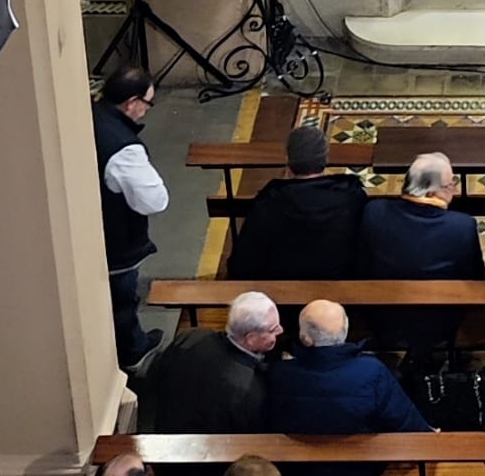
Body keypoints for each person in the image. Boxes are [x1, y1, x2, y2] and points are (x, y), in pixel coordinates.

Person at [266, 299, 429, 476]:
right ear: (344, 334)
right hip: (360, 467)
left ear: (305, 339)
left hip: (299, 468)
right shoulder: (372, 371)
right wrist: (427, 432)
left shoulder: (279, 373)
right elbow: (406, 422)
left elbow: (268, 421)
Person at [356, 151, 485, 353]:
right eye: (450, 185)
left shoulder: (374, 211)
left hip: (382, 317)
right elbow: (475, 279)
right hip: (438, 324)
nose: (454, 190)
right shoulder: (461, 226)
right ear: (431, 193)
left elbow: (362, 264)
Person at [94, 65, 170, 370]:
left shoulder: (91, 113)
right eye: (148, 104)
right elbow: (154, 201)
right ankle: (133, 351)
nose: (146, 111)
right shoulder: (124, 150)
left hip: (94, 226)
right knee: (123, 299)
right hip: (117, 239)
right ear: (132, 102)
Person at [229, 123, 367, 287]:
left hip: (282, 296)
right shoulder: (350, 196)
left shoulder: (269, 202)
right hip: (341, 292)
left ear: (287, 159)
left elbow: (242, 264)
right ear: (325, 159)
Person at [137, 290, 281, 433]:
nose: (280, 331)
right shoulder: (249, 390)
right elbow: (250, 435)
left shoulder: (192, 337)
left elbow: (155, 376)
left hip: (164, 426)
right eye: (273, 329)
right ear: (250, 338)